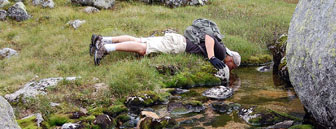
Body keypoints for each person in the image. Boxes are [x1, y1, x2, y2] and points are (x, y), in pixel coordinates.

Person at [89, 31, 241, 74]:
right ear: (231, 59)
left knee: (139, 41)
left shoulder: (222, 55)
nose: (230, 68)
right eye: (232, 66)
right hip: (177, 44)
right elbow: (209, 37)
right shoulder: (221, 54)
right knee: (143, 49)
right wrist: (212, 57)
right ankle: (105, 48)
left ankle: (102, 39)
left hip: (176, 41)